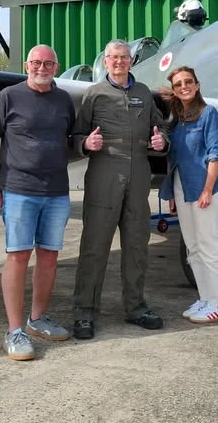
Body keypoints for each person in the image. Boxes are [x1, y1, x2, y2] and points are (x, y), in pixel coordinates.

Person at [70, 39, 169, 339]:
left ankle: (136, 306)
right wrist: (85, 143)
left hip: (139, 174)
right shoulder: (93, 94)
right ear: (106, 60)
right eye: (113, 57)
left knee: (137, 244)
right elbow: (77, 133)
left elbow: (161, 128)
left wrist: (162, 142)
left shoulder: (143, 94)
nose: (119, 62)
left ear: (131, 61)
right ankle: (85, 311)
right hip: (104, 173)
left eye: (124, 57)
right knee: (95, 245)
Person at [0, 44, 75, 361]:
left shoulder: (64, 99)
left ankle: (37, 319)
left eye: (49, 63)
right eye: (37, 62)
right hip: (19, 190)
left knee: (49, 256)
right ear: (26, 65)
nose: (42, 67)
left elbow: (67, 138)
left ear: (57, 66)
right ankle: (14, 330)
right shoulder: (8, 96)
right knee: (18, 256)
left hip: (57, 192)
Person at [158, 65, 218, 324]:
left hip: (203, 190)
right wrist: (171, 195)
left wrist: (208, 190)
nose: (184, 86)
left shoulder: (208, 113)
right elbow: (174, 160)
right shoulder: (179, 121)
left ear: (197, 85)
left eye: (188, 82)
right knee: (193, 248)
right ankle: (206, 298)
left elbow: (215, 154)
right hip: (181, 189)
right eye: (178, 84)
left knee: (209, 246)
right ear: (175, 91)